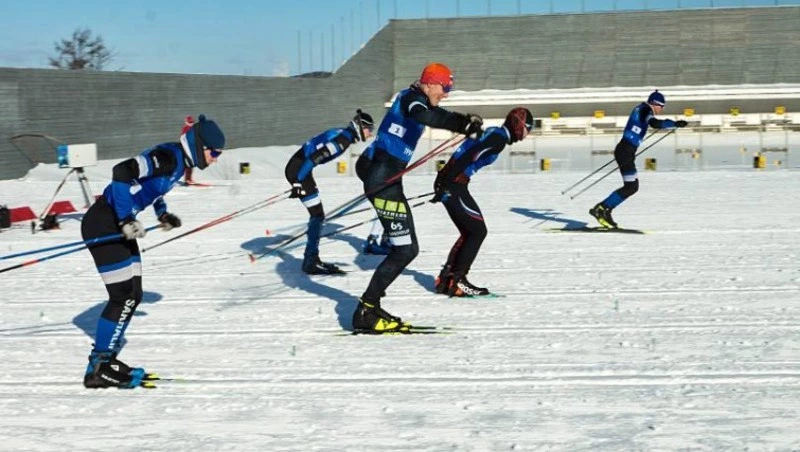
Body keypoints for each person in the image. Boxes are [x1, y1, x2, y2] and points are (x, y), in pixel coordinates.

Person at [80, 114, 225, 389]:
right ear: (199, 145)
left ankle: (105, 360)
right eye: (214, 152)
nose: (215, 158)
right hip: (105, 223)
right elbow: (122, 171)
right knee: (122, 297)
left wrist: (163, 214)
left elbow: (151, 189)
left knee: (133, 295)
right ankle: (99, 367)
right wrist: (125, 219)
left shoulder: (178, 163)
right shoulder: (168, 157)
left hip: (121, 223)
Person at [351, 62, 484, 333]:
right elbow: (425, 116)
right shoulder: (413, 100)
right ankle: (366, 310)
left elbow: (433, 113)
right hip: (384, 182)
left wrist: (463, 122)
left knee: (405, 249)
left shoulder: (413, 97)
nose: (446, 92)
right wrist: (462, 123)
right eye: (445, 87)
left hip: (384, 178)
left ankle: (369, 307)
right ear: (430, 83)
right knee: (406, 249)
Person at [432, 107, 534, 297]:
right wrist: (447, 182)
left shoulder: (495, 132)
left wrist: (444, 179)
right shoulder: (499, 139)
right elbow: (470, 156)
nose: (528, 134)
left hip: (452, 181)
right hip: (454, 183)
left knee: (470, 231)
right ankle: (457, 281)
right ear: (518, 125)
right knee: (478, 231)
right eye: (528, 128)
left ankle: (447, 280)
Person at [285, 111, 375, 274]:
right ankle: (310, 261)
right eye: (369, 129)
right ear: (360, 127)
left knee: (317, 215)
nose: (370, 134)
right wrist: (298, 181)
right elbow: (314, 158)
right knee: (317, 215)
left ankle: (312, 258)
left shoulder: (343, 134)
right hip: (299, 169)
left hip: (300, 168)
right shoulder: (343, 141)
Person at [590, 90, 688, 228]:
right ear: (655, 104)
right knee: (631, 187)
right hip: (625, 151)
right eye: (662, 106)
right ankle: (602, 209)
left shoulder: (642, 109)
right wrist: (675, 123)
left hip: (626, 151)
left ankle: (604, 209)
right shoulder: (645, 110)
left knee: (631, 187)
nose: (661, 109)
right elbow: (655, 123)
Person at [181, 116, 196, 184]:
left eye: (192, 122)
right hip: (187, 149)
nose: (191, 123)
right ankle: (187, 179)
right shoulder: (186, 129)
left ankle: (189, 179)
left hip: (192, 148)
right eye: (190, 122)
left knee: (191, 164)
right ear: (186, 122)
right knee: (189, 164)